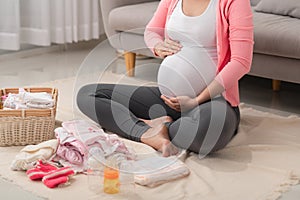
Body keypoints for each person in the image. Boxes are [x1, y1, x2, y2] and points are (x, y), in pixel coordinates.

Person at [77, 0, 254, 157]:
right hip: (166, 99)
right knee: (88, 94)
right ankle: (149, 133)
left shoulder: (234, 2)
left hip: (212, 102)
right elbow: (151, 31)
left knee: (208, 133)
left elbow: (241, 62)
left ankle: (160, 127)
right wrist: (157, 45)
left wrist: (195, 101)